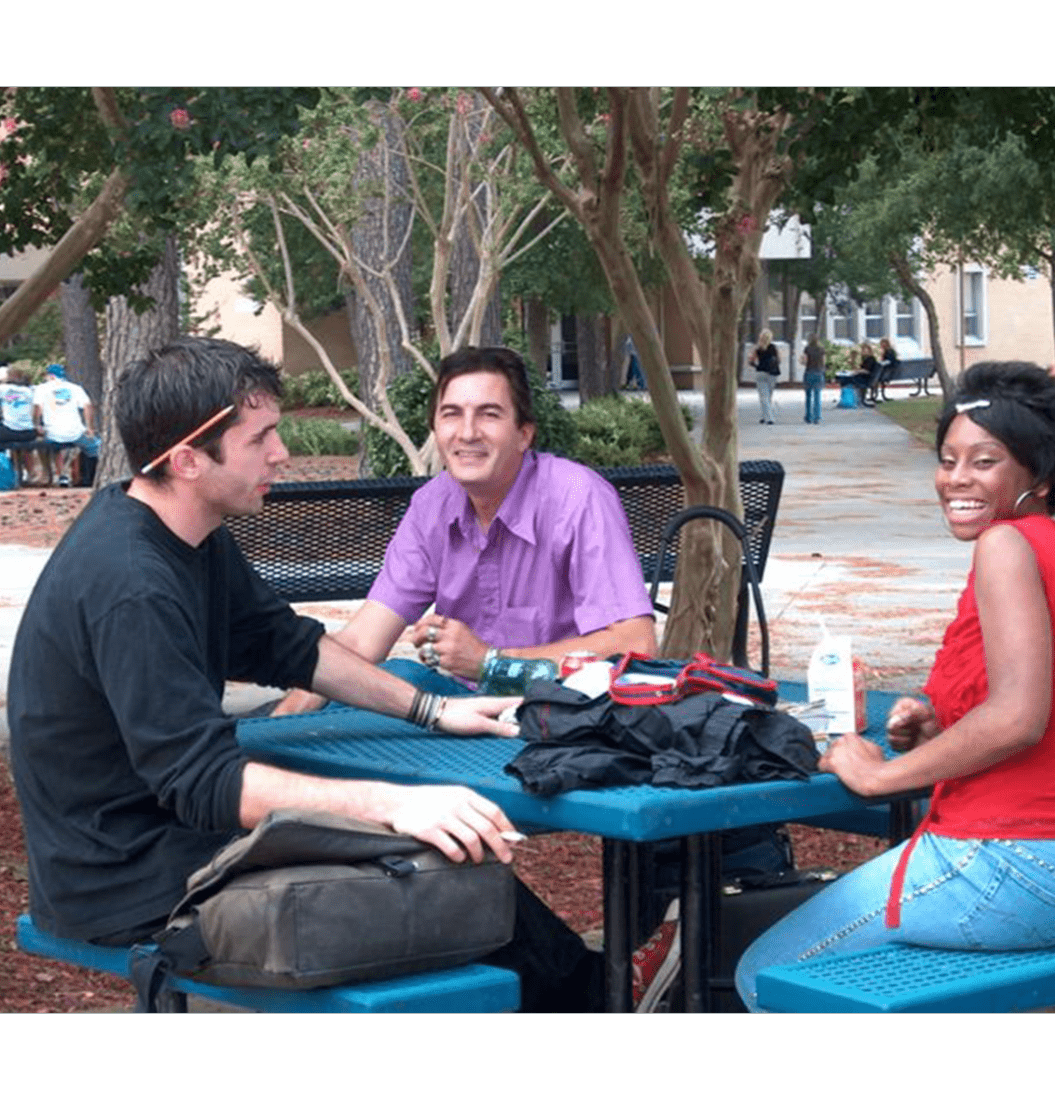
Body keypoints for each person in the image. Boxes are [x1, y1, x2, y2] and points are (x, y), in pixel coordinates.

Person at [8, 336, 605, 1012]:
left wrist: (432, 711)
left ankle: (599, 1001)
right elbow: (202, 781)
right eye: (260, 438)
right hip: (127, 882)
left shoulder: (186, 535)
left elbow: (286, 645)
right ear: (187, 461)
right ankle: (606, 1008)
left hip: (172, 844)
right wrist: (398, 803)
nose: (281, 453)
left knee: (457, 868)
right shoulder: (132, 583)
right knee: (451, 879)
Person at [735, 360, 1055, 1011]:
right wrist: (939, 727)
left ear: (1039, 475)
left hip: (1014, 861)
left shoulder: (1006, 547)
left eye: (984, 462)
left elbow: (1020, 718)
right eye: (947, 459)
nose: (956, 479)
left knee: (766, 977)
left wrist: (880, 777)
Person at [273, 345, 656, 714]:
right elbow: (360, 642)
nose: (467, 432)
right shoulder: (431, 506)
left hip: (567, 713)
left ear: (524, 434)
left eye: (489, 414)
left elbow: (635, 644)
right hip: (462, 710)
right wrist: (280, 723)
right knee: (384, 682)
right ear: (436, 429)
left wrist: (490, 663)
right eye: (452, 414)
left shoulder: (577, 498)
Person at [32, 363, 100, 486]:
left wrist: (36, 425)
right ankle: (91, 476)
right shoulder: (75, 388)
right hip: (76, 433)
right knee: (95, 448)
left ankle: (54, 475)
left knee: (44, 446)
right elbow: (88, 406)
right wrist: (90, 427)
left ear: (50, 375)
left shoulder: (41, 389)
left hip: (53, 433)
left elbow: (37, 409)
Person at [0, 366, 43, 484]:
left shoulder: (3, 389)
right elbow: (37, 409)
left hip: (10, 430)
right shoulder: (30, 390)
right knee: (26, 448)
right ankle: (30, 473)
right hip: (28, 432)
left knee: (4, 442)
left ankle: (9, 472)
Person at [748, 329, 780, 424]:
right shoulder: (774, 348)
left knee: (763, 396)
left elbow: (751, 360)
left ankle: (767, 417)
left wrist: (757, 365)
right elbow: (779, 360)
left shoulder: (757, 349)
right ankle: (767, 417)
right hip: (772, 373)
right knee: (768, 395)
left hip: (761, 372)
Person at [800, 334, 825, 424]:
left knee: (808, 396)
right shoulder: (821, 349)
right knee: (817, 396)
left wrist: (802, 361)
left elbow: (804, 361)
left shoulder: (807, 349)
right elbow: (824, 361)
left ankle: (808, 416)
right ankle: (817, 417)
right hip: (819, 372)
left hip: (809, 372)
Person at [856, 340, 881, 407]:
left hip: (867, 380)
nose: (862, 351)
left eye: (864, 349)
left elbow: (866, 371)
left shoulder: (870, 359)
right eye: (862, 349)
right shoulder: (868, 358)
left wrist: (858, 371)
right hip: (868, 379)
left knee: (850, 380)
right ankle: (859, 399)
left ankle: (859, 400)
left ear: (869, 350)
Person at [875, 337, 900, 402]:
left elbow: (888, 362)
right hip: (890, 374)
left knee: (873, 377)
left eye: (883, 343)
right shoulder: (891, 351)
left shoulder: (888, 352)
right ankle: (877, 395)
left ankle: (874, 396)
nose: (882, 345)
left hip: (886, 374)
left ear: (886, 344)